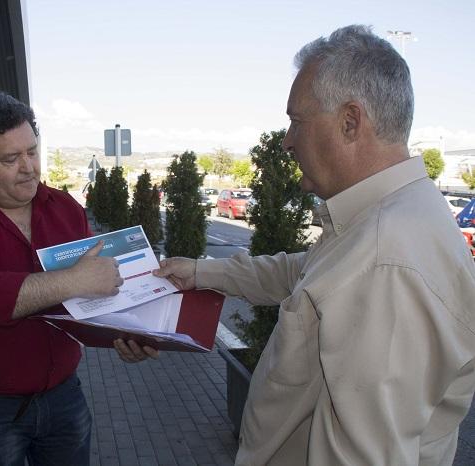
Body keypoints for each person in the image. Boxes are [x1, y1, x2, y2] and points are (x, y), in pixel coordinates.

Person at [154, 25, 475, 465]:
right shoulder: (382, 219)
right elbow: (303, 275)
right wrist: (200, 272)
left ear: (350, 122)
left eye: (297, 121)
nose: (287, 141)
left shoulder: (385, 262)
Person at [0, 91, 156, 466]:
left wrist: (130, 335)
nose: (29, 166)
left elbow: (96, 295)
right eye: (11, 159)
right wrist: (73, 280)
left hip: (65, 397)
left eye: (32, 151)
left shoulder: (65, 207)